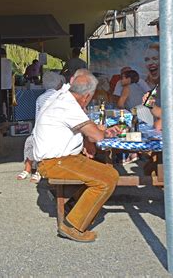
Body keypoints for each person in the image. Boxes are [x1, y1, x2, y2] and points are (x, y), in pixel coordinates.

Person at [32, 71, 119, 243]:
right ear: (86, 96)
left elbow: (87, 133)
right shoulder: (69, 105)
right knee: (106, 180)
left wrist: (90, 139)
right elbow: (96, 136)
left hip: (61, 158)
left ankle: (73, 207)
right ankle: (72, 226)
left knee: (109, 173)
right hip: (54, 162)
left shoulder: (63, 97)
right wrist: (100, 134)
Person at [16, 71, 64, 182]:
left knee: (31, 142)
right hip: (56, 130)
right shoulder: (61, 97)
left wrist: (35, 132)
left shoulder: (40, 98)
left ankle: (28, 169)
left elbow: (37, 118)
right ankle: (38, 170)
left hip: (43, 130)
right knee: (37, 142)